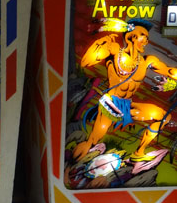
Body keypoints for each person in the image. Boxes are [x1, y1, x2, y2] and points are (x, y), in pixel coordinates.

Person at [74, 20, 177, 161]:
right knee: (91, 143)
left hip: (127, 106)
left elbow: (170, 71)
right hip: (111, 105)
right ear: (131, 37)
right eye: (143, 36)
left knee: (163, 117)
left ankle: (138, 153)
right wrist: (101, 43)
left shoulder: (146, 61)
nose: (146, 41)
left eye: (147, 38)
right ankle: (71, 166)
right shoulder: (115, 50)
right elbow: (86, 62)